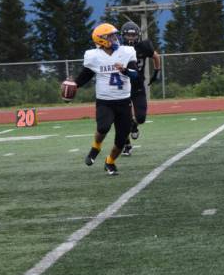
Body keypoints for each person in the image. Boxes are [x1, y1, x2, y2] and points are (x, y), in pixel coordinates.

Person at [64, 23, 140, 176]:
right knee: (103, 127)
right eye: (111, 36)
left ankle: (110, 162)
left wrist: (124, 70)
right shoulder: (94, 56)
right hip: (105, 101)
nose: (115, 38)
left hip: (124, 101)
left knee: (121, 139)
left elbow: (135, 74)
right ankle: (96, 146)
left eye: (114, 35)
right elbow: (86, 75)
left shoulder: (127, 52)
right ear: (102, 40)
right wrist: (74, 85)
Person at [119, 21, 161, 156]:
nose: (131, 38)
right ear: (123, 36)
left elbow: (155, 56)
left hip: (137, 85)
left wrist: (156, 71)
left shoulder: (143, 47)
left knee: (141, 117)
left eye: (133, 35)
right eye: (128, 35)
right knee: (122, 118)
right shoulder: (117, 49)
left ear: (138, 35)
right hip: (121, 87)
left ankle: (134, 124)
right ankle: (126, 145)